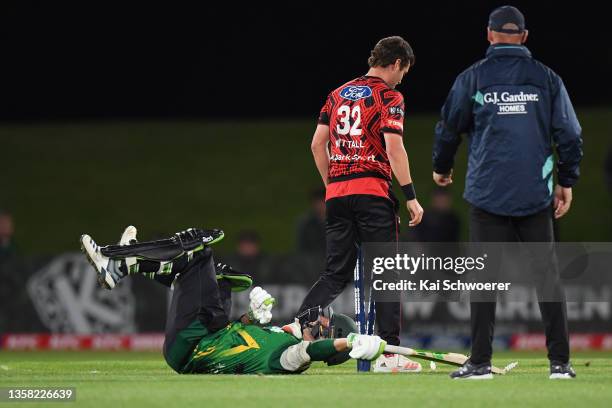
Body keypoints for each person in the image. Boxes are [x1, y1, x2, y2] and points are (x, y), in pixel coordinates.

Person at [433, 6, 582, 379]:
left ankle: (480, 362)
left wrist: (442, 166)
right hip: (535, 194)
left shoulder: (473, 78)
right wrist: (566, 180)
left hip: (487, 194)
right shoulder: (547, 79)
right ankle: (560, 364)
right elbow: (570, 134)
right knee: (547, 276)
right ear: (525, 37)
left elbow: (449, 125)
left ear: (489, 34)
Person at [80, 226, 387, 374]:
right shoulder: (282, 335)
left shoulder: (292, 358)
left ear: (331, 337)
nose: (322, 318)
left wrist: (352, 343)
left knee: (201, 248)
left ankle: (118, 263)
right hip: (212, 333)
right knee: (225, 277)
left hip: (192, 347)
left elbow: (314, 350)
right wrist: (251, 318)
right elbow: (241, 343)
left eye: (327, 324)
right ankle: (135, 256)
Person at [299, 36, 424, 373]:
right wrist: (410, 195)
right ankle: (388, 353)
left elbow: (316, 145)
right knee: (384, 273)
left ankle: (299, 331)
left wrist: (333, 186)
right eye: (404, 72)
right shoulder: (389, 95)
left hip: (338, 195)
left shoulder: (336, 94)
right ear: (396, 63)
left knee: (334, 273)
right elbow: (394, 148)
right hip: (372, 193)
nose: (402, 79)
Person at [296, 188, 326, 254]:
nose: (320, 206)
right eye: (317, 202)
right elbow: (302, 247)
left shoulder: (338, 221)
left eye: (322, 202)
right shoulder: (306, 223)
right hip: (311, 261)